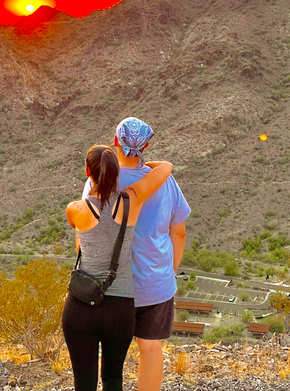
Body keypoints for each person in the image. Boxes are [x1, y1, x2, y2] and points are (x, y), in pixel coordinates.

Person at [82, 117, 190, 391]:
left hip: (111, 286)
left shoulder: (100, 180)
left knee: (110, 357)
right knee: (151, 349)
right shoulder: (165, 182)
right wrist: (170, 271)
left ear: (115, 142)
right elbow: (179, 233)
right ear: (147, 144)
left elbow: (86, 234)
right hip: (155, 283)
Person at [62, 144, 172, 391]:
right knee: (113, 379)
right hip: (120, 308)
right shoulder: (131, 200)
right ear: (116, 173)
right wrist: (139, 166)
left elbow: (81, 234)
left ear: (87, 173)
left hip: (80, 307)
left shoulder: (75, 209)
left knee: (84, 383)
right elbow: (166, 167)